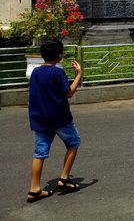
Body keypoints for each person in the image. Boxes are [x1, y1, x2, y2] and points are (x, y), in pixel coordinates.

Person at [26, 39, 83, 203]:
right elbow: (69, 93)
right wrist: (78, 74)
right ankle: (64, 178)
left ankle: (34, 189)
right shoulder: (57, 72)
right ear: (59, 56)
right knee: (73, 143)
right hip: (59, 117)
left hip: (39, 118)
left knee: (40, 152)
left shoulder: (36, 72)